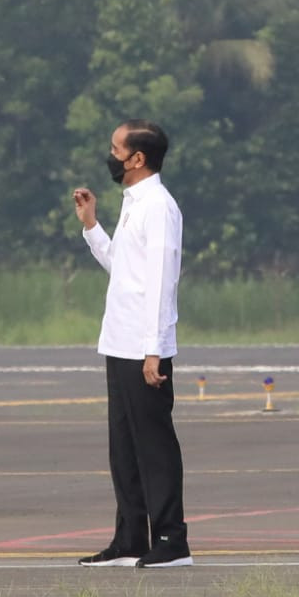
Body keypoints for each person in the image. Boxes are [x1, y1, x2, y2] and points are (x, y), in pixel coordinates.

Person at [72, 119, 192, 569]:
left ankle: (171, 539)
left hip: (144, 348)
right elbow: (124, 269)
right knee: (123, 446)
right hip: (119, 342)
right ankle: (130, 539)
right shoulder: (133, 203)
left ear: (137, 158)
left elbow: (162, 281)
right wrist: (91, 227)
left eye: (115, 148)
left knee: (154, 444)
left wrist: (154, 350)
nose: (110, 155)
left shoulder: (158, 206)